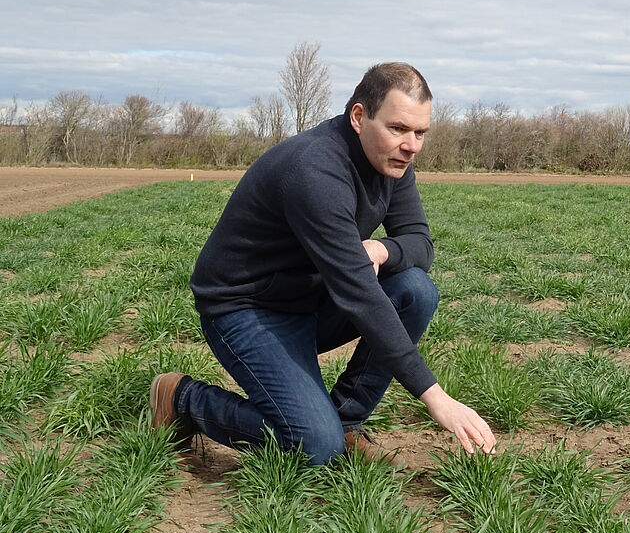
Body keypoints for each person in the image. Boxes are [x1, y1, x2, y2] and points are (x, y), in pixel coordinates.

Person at [149, 62, 497, 464]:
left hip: (308, 300)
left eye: (420, 132)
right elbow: (360, 296)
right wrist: (435, 397)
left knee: (415, 289)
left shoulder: (393, 165)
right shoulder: (314, 171)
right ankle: (182, 398)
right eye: (398, 128)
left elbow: (421, 244)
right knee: (314, 446)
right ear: (359, 117)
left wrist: (383, 250)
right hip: (247, 310)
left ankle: (347, 422)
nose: (412, 145)